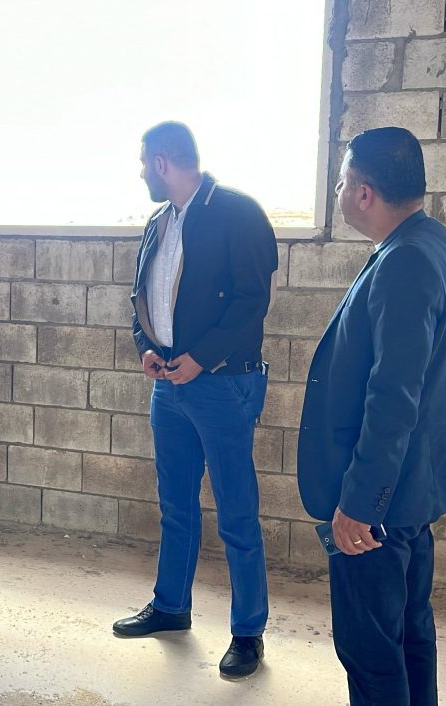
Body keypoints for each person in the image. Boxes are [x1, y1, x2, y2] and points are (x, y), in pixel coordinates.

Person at [297, 127, 446, 705]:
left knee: (371, 649)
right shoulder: (432, 240)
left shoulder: (405, 260)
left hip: (383, 499)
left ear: (363, 193)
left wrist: (360, 504)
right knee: (408, 633)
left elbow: (393, 398)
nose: (337, 192)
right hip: (410, 490)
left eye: (341, 182)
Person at [113, 121, 278, 679]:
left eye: (144, 163)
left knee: (236, 511)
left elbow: (252, 301)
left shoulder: (238, 212)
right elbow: (141, 296)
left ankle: (248, 632)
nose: (141, 172)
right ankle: (170, 606)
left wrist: (201, 358)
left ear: (162, 162)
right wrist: (146, 346)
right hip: (168, 382)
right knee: (176, 504)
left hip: (222, 384)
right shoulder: (160, 222)